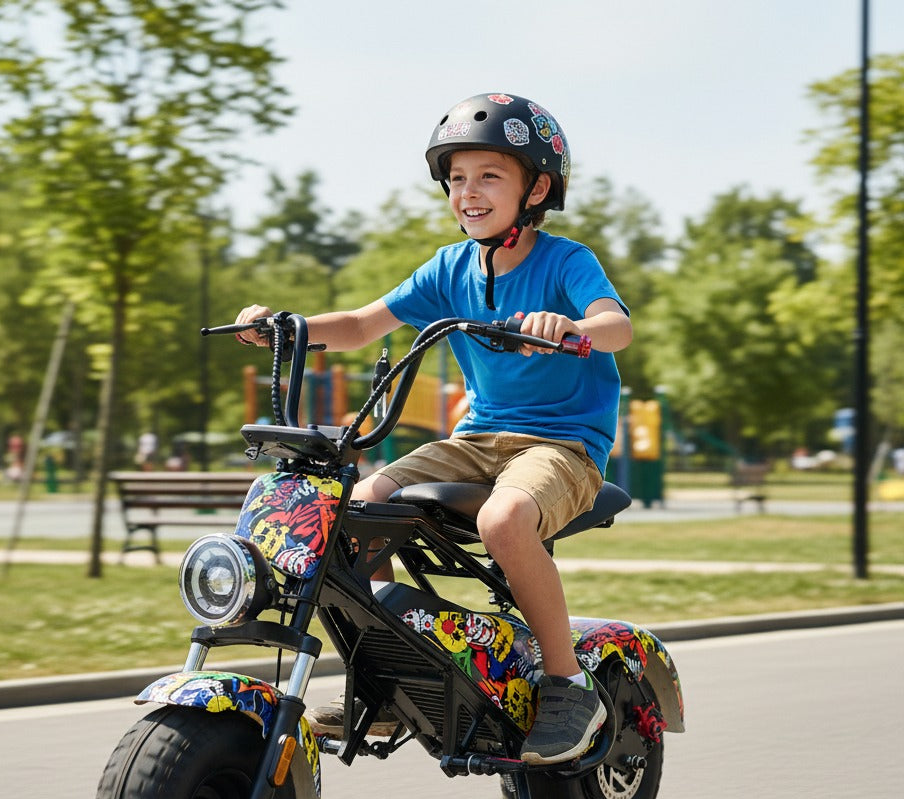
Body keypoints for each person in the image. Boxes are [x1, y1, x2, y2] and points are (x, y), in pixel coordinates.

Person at [236, 93, 631, 765]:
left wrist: (570, 329)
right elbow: (362, 326)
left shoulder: (566, 262)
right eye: (456, 179)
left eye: (488, 176)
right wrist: (288, 324)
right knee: (352, 509)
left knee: (504, 521)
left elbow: (616, 326)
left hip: (562, 444)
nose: (466, 193)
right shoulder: (448, 269)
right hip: (475, 440)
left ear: (536, 188)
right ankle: (393, 676)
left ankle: (568, 686)